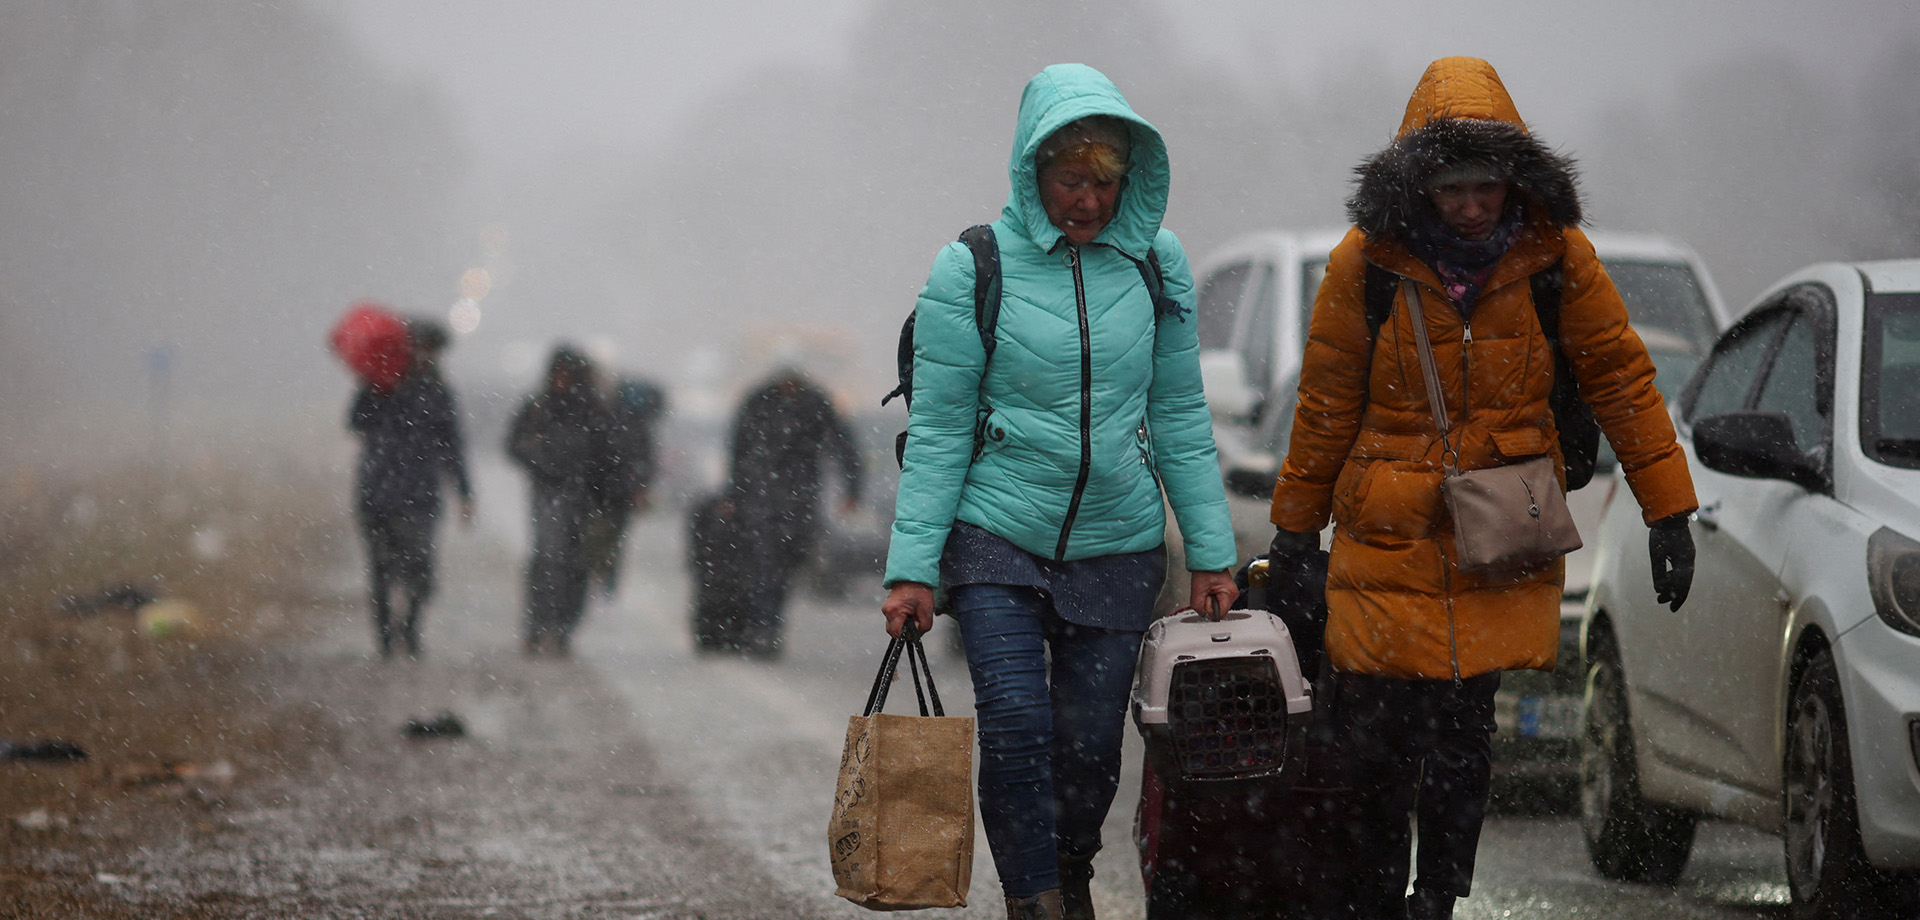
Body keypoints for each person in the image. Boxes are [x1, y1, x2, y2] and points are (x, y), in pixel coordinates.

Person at [1265, 57, 1699, 920]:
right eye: (1452, 187)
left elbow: (1620, 375)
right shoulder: (1369, 264)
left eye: (1487, 186)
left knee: (1464, 733)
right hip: (1386, 531)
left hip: (1497, 531)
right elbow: (1325, 400)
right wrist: (1292, 531)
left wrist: (1669, 508)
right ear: (1420, 183)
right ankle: (1380, 892)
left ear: (1514, 179)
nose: (1471, 205)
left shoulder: (1554, 257)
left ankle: (1439, 893)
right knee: (1379, 741)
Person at [881, 64, 1240, 920]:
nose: (1088, 200)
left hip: (1117, 542)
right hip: (995, 535)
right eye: (1070, 179)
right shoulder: (971, 268)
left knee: (1087, 750)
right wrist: (912, 570)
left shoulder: (1157, 264)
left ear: (1130, 179)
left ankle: (1068, 865)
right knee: (1014, 725)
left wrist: (1213, 554)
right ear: (1032, 173)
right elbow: (937, 433)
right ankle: (1035, 899)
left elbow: (1182, 414)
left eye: (1105, 181)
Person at [346, 317, 473, 659]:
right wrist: (376, 390)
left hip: (419, 497)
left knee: (420, 573)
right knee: (381, 571)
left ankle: (410, 629)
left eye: (430, 350)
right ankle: (386, 636)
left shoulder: (438, 391)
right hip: (376, 495)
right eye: (419, 348)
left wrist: (464, 491)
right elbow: (355, 422)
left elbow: (453, 445)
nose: (424, 355)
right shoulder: (376, 384)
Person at [721, 367, 861, 658]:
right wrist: (734, 492)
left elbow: (843, 445)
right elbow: (739, 448)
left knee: (782, 567)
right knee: (764, 566)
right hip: (763, 495)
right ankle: (763, 628)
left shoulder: (813, 403)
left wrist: (852, 488)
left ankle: (766, 627)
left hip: (795, 497)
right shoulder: (761, 401)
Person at [507, 346, 610, 656]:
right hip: (547, 492)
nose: (560, 380)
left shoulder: (594, 410)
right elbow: (514, 444)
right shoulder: (539, 407)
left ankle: (563, 628)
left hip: (586, 497)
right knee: (548, 559)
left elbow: (610, 453)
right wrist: (541, 460)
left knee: (576, 565)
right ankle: (539, 626)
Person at [584, 376, 667, 596]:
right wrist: (638, 487)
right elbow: (643, 461)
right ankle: (604, 580)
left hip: (605, 491)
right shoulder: (637, 427)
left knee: (602, 537)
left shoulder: (608, 420)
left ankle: (597, 578)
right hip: (617, 493)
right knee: (611, 538)